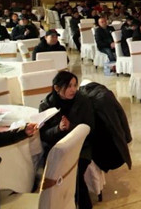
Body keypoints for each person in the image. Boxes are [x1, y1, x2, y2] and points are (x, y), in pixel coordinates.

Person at [39, 71, 94, 209]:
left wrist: (71, 127)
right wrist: (58, 129)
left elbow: (90, 128)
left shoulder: (83, 101)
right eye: (69, 86)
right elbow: (43, 135)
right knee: (51, 177)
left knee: (75, 176)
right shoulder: (46, 105)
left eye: (75, 85)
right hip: (56, 149)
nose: (73, 89)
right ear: (57, 88)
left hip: (81, 148)